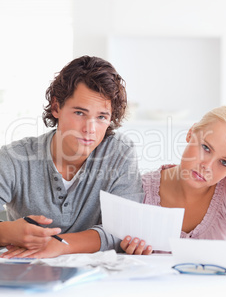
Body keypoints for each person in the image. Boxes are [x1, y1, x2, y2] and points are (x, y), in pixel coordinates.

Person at [0, 55, 144, 259]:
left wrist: (61, 245)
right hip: (29, 272)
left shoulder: (119, 153)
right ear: (56, 107)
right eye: (79, 113)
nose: (89, 129)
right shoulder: (15, 158)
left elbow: (125, 229)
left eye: (101, 117)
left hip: (99, 278)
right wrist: (6, 233)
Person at [120, 105, 226, 255]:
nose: (207, 166)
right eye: (206, 148)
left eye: (225, 162)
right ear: (191, 133)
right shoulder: (139, 189)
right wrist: (128, 252)